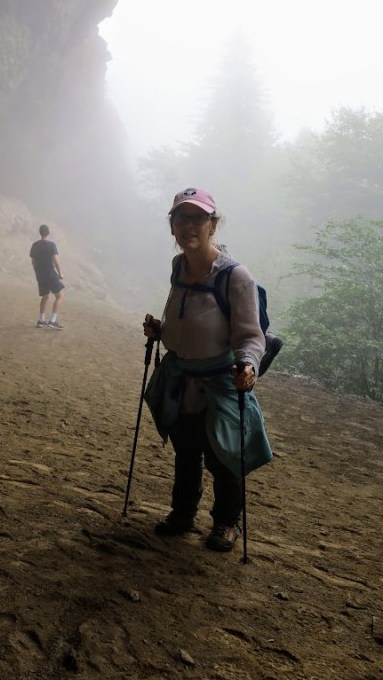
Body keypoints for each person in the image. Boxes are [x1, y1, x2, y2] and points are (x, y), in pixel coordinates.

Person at [142, 187, 273, 553]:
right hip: (181, 377)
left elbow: (251, 335)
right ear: (172, 226)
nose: (188, 225)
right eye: (181, 218)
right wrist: (161, 330)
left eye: (197, 218)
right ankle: (182, 514)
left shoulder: (236, 277)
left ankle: (226, 523)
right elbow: (185, 321)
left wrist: (247, 365)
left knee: (224, 455)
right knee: (186, 451)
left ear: (212, 225)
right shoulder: (179, 267)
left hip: (220, 381)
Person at [30, 224, 64, 329]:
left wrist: (37, 273)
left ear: (40, 233)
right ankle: (52, 321)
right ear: (48, 233)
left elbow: (33, 261)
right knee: (60, 296)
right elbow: (56, 262)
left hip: (40, 275)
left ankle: (41, 321)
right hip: (50, 274)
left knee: (45, 296)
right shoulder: (51, 245)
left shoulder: (35, 245)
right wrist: (60, 273)